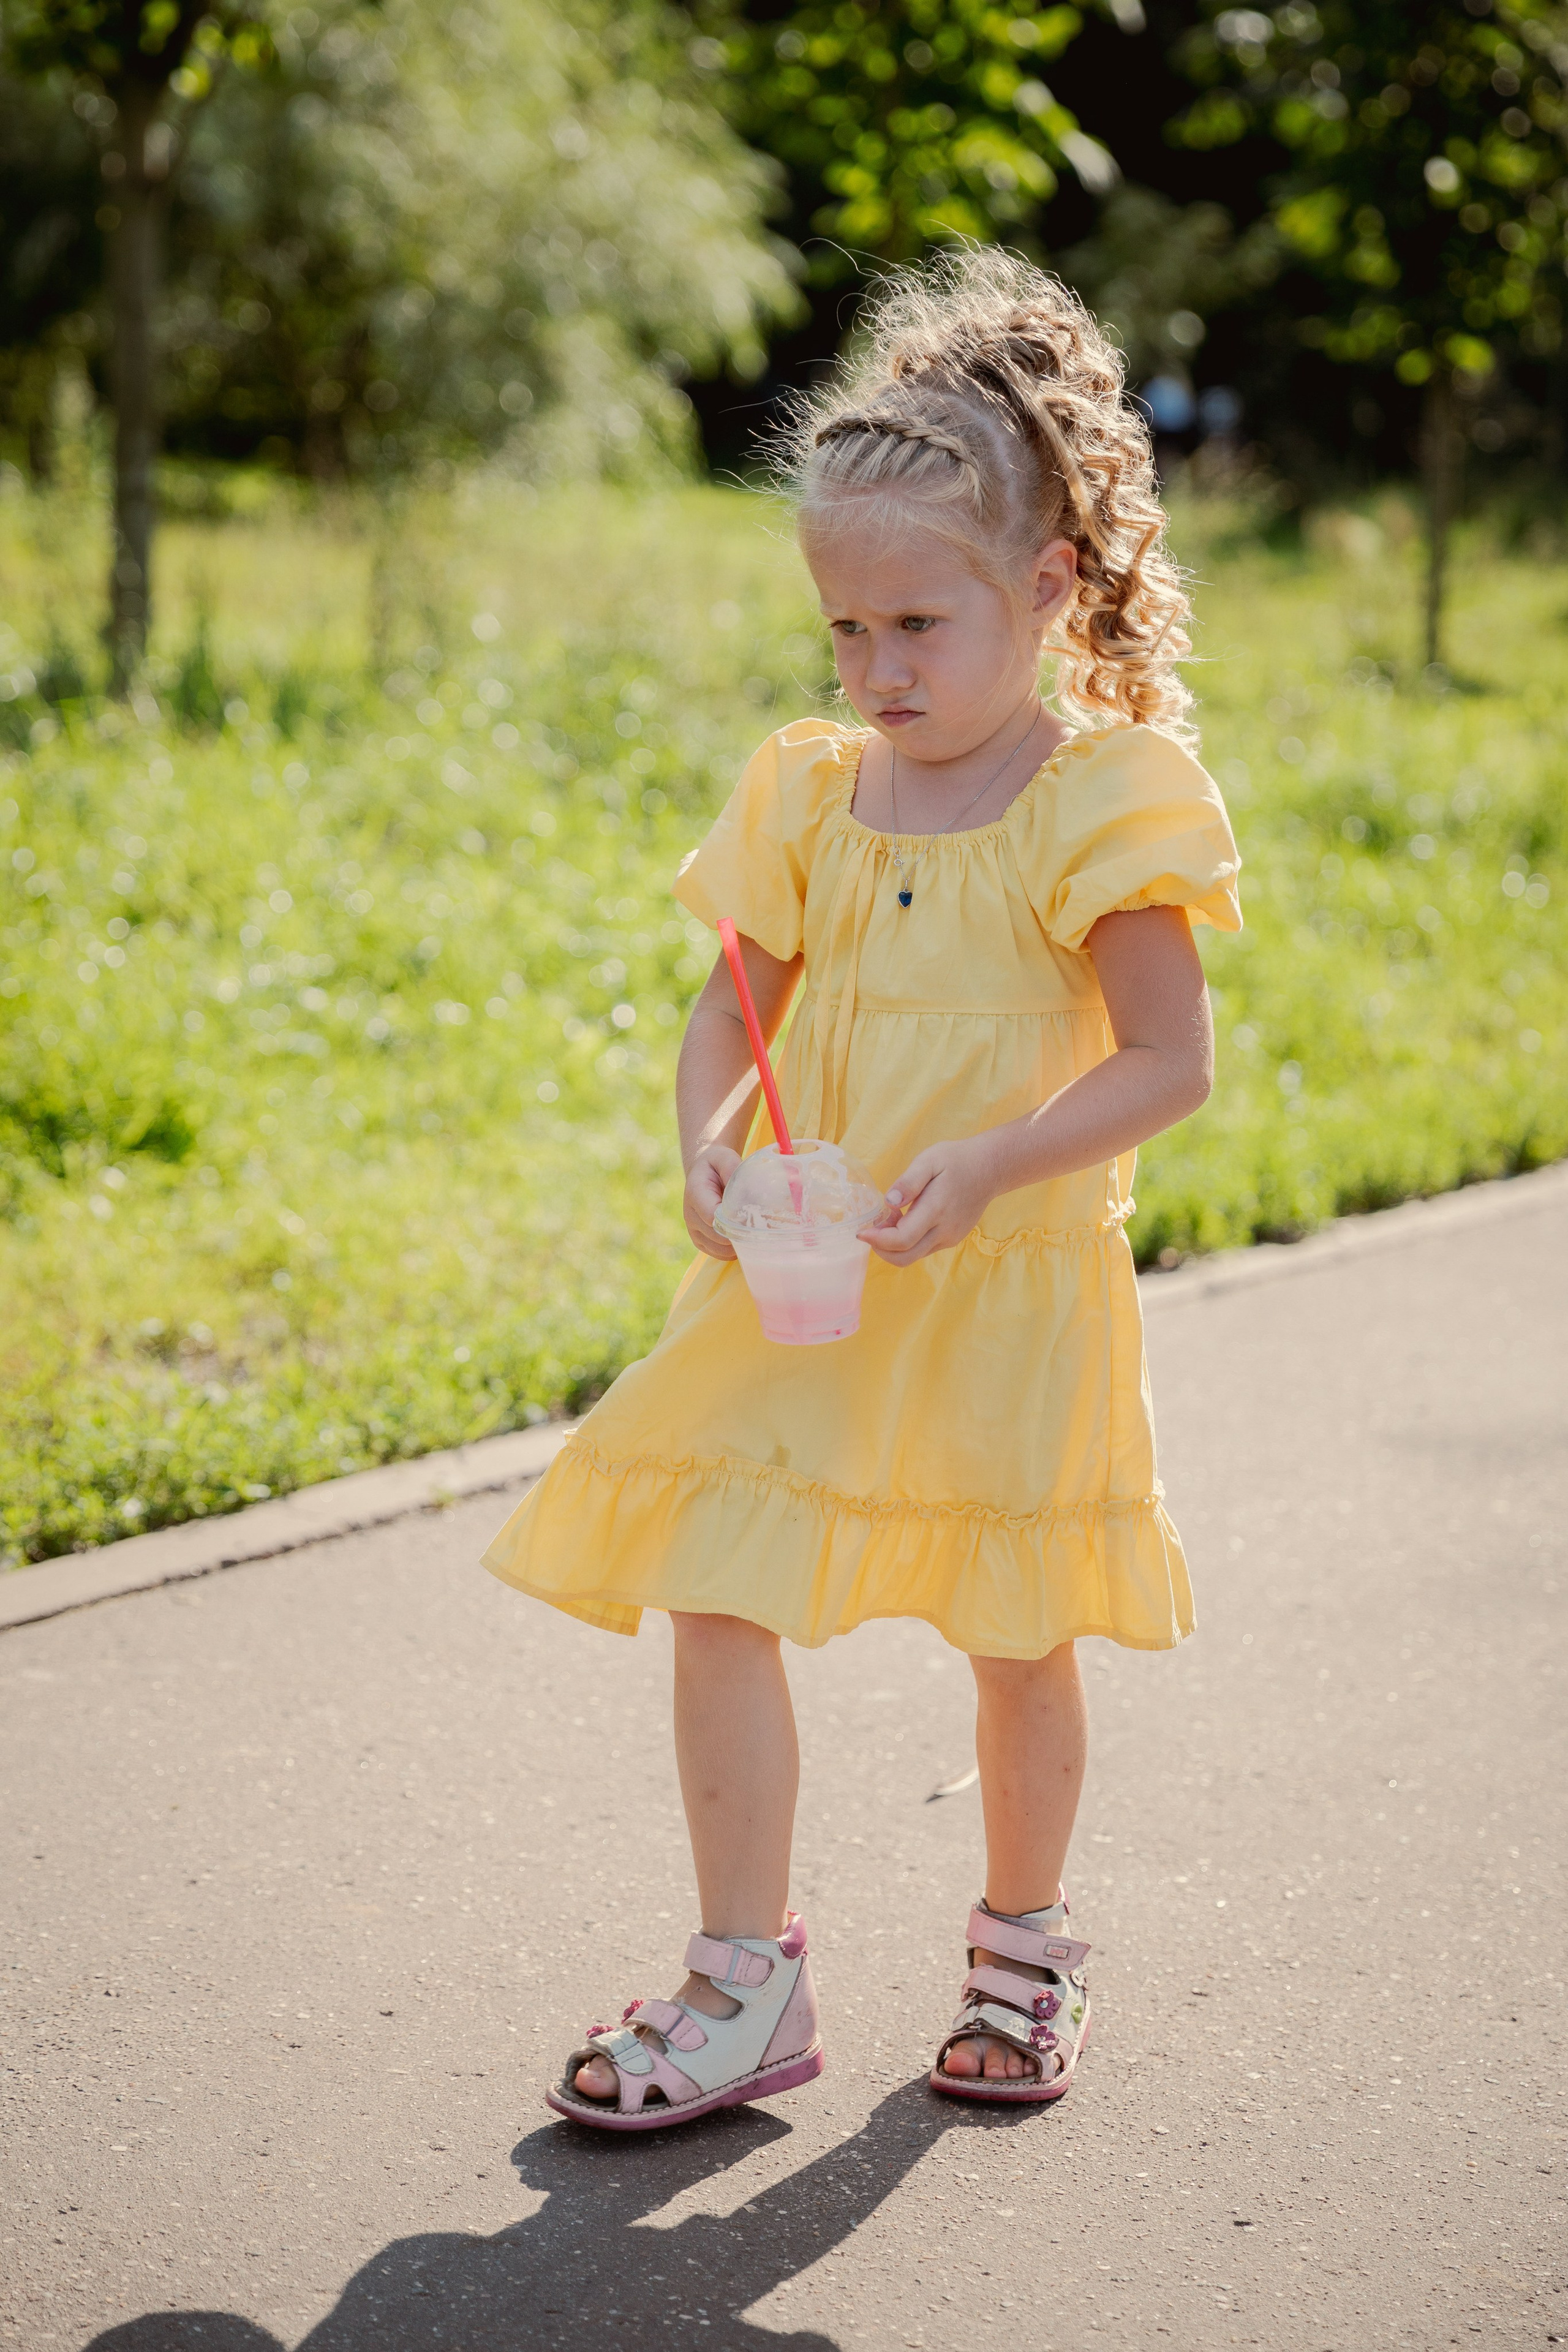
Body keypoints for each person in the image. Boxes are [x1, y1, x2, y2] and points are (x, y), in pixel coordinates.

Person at [482, 247, 1242, 2129]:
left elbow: (1171, 1061)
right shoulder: (815, 796)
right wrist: (705, 1152)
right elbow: (725, 1014)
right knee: (710, 1574)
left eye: (919, 626)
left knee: (1013, 1626)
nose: (876, 671)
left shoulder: (1102, 797)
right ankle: (745, 1980)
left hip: (1007, 1284)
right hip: (811, 1276)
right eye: (846, 634)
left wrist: (992, 1161)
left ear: (1049, 589)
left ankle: (1024, 1945)